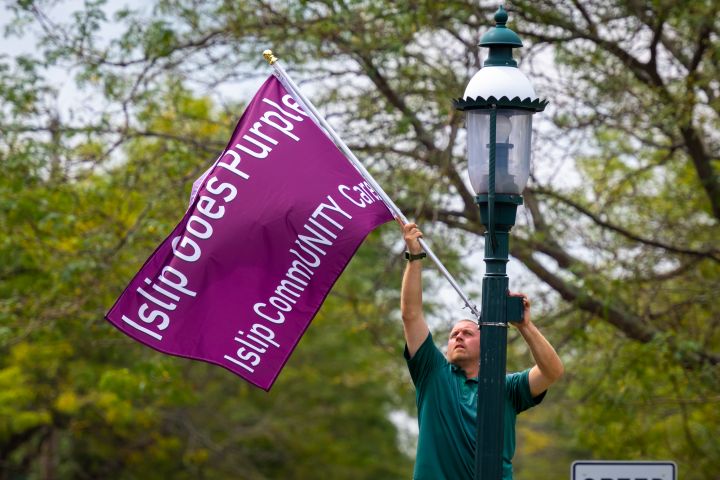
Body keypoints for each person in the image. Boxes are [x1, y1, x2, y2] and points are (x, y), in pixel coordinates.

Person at [400, 221, 564, 480]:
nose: (458, 337)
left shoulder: (506, 387)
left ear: (487, 344)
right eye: (453, 335)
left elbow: (552, 371)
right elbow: (411, 314)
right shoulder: (432, 374)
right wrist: (414, 257)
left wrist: (525, 326)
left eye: (467, 333)